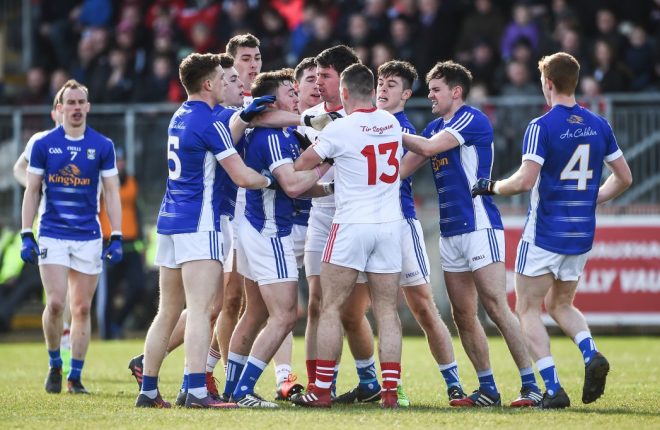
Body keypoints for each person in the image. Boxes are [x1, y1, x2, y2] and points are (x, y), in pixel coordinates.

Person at [471, 52, 632, 408]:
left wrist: (492, 186)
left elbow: (525, 180)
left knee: (527, 308)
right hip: (581, 234)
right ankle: (590, 354)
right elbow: (625, 177)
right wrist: (592, 198)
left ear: (547, 83)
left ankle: (553, 388)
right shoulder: (599, 125)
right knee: (561, 303)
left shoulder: (541, 126)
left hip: (544, 232)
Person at [135, 52, 276, 409]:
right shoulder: (211, 123)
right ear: (208, 84)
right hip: (200, 223)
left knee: (167, 310)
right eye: (222, 77)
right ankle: (195, 389)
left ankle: (148, 390)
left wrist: (243, 116)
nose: (229, 81)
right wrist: (272, 179)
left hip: (168, 221)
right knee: (201, 310)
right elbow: (241, 175)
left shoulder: (180, 115)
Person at [400, 60, 541, 407]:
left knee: (496, 307)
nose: (430, 96)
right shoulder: (434, 125)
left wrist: (380, 128)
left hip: (479, 225)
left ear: (456, 92)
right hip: (450, 231)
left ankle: (531, 385)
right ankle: (488, 388)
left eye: (436, 90)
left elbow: (430, 149)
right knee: (462, 314)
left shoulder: (470, 118)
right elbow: (405, 167)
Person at [336, 60, 467, 407]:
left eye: (392, 84)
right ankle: (373, 383)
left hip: (398, 222)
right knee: (351, 312)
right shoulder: (363, 124)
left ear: (407, 94)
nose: (382, 88)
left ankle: (454, 385)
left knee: (422, 306)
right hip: (363, 224)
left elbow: (395, 176)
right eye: (380, 82)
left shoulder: (403, 128)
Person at [291, 63, 404, 409]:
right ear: (372, 91)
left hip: (351, 223)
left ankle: (321, 390)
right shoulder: (392, 122)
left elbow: (302, 165)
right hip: (388, 225)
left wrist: (317, 142)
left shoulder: (341, 129)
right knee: (386, 311)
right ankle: (389, 393)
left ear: (343, 93)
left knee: (330, 307)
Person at [222, 69, 333, 408]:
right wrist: (327, 159)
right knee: (286, 315)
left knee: (254, 314)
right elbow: (292, 185)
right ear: (270, 101)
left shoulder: (281, 132)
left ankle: (231, 387)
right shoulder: (271, 135)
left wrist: (330, 186)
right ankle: (244, 390)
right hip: (270, 231)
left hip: (259, 228)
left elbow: (301, 187)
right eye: (289, 90)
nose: (296, 94)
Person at [21, 79, 123, 395]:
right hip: (52, 233)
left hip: (88, 237)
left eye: (81, 102)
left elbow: (111, 193)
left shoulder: (103, 146)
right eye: (71, 102)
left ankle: (75, 376)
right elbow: (32, 189)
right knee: (54, 304)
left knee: (80, 308)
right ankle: (55, 363)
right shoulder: (43, 144)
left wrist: (115, 235)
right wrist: (27, 233)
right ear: (60, 108)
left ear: (88, 107)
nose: (76, 108)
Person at [294, 45, 367, 400]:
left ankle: (375, 383)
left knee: (355, 311)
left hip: (356, 216)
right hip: (322, 216)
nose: (319, 82)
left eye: (325, 76)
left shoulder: (367, 117)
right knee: (316, 303)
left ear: (344, 79)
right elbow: (302, 165)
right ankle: (319, 385)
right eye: (317, 76)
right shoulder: (307, 117)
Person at [97, 148, 145, 340]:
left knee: (139, 286)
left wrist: (141, 238)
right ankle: (107, 333)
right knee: (107, 292)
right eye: (116, 161)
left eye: (122, 161)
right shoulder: (101, 184)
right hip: (108, 242)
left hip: (131, 243)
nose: (120, 164)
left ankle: (117, 323)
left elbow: (137, 210)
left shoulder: (133, 182)